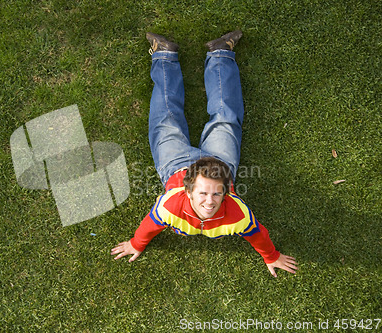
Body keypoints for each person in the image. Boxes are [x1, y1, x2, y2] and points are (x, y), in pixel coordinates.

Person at [110, 31, 297, 277]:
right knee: (225, 120)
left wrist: (272, 256)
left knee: (165, 121)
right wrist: (136, 243)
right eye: (203, 193)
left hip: (193, 163)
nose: (210, 201)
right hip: (192, 165)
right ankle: (210, 54)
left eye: (216, 193)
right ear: (188, 191)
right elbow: (149, 226)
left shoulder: (238, 214)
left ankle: (175, 54)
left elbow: (258, 234)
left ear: (226, 191)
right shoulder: (170, 207)